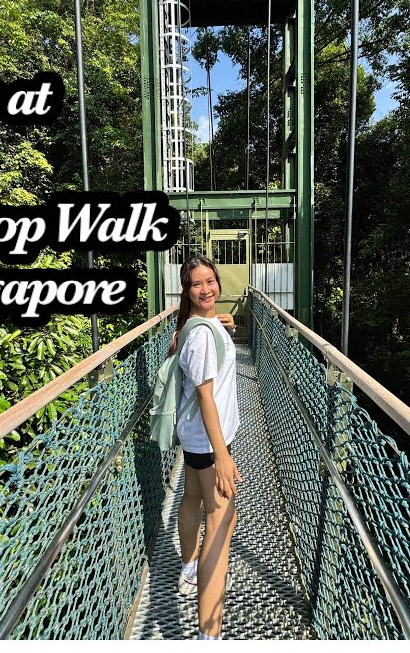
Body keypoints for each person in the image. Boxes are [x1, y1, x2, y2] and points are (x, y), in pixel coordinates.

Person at [169, 255, 241, 640]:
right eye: (197, 284)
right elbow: (207, 397)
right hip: (211, 442)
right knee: (220, 528)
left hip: (196, 439)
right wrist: (223, 456)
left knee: (191, 497)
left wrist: (223, 322)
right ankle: (208, 636)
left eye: (210, 281)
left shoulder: (200, 326)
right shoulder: (198, 336)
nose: (206, 288)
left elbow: (208, 340)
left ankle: (187, 568)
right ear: (187, 290)